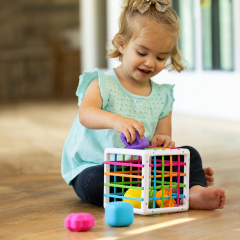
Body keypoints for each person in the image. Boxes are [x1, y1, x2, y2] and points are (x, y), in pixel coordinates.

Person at [61, 0, 226, 210]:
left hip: (141, 167)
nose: (150, 62)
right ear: (121, 44)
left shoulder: (162, 95)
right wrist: (116, 121)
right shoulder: (102, 83)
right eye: (142, 53)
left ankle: (192, 190)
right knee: (94, 183)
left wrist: (163, 142)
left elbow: (163, 139)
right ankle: (166, 189)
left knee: (190, 153)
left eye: (160, 57)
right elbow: (86, 114)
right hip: (95, 166)